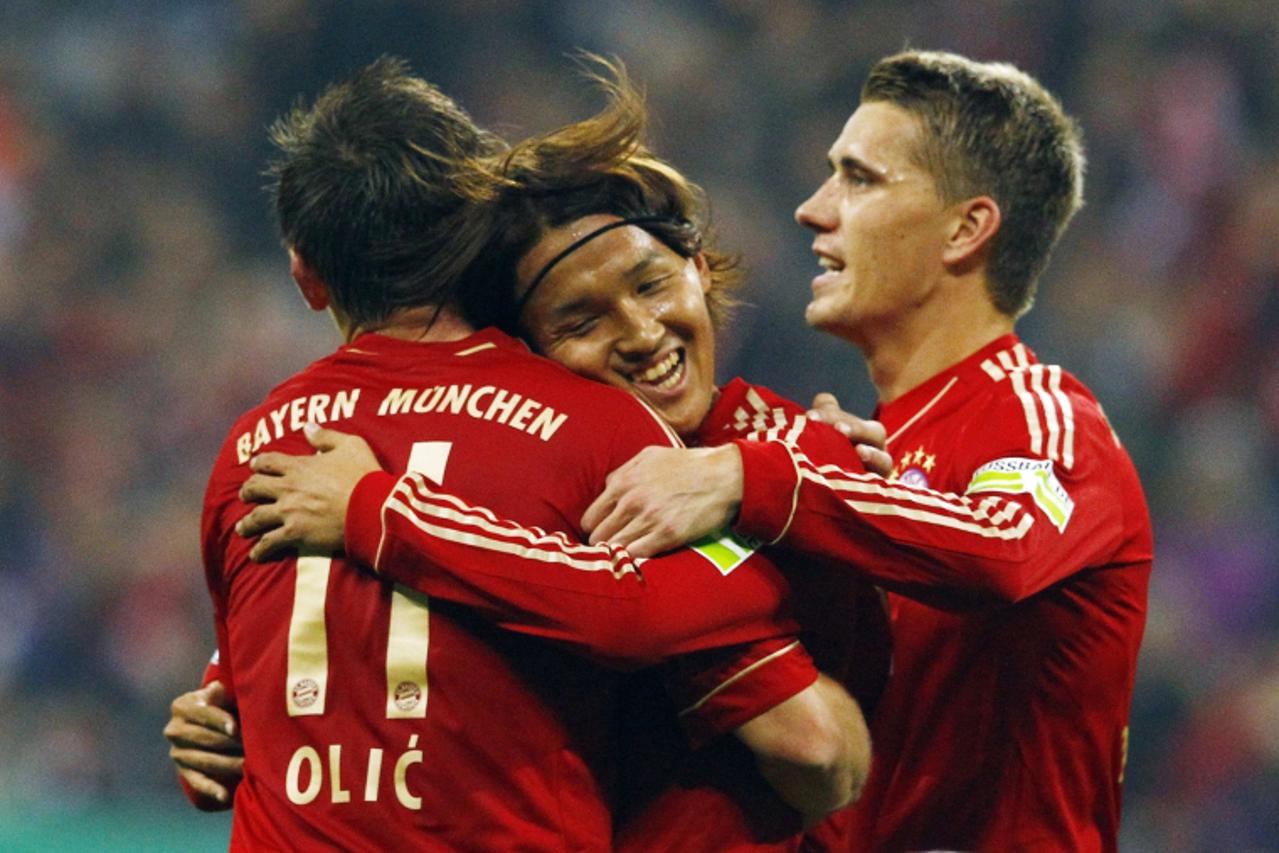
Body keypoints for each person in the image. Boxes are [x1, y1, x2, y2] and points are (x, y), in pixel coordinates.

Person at [174, 60, 891, 850]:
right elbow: (816, 748)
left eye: (649, 284)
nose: (642, 333)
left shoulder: (251, 449)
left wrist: (217, 713)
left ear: (306, 276)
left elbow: (243, 707)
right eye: (582, 317)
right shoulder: (606, 436)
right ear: (474, 239)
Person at [577, 50, 1154, 851]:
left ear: (965, 229)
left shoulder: (1042, 413)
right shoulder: (871, 457)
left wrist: (755, 477)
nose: (813, 210)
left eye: (859, 179)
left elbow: (1004, 546)